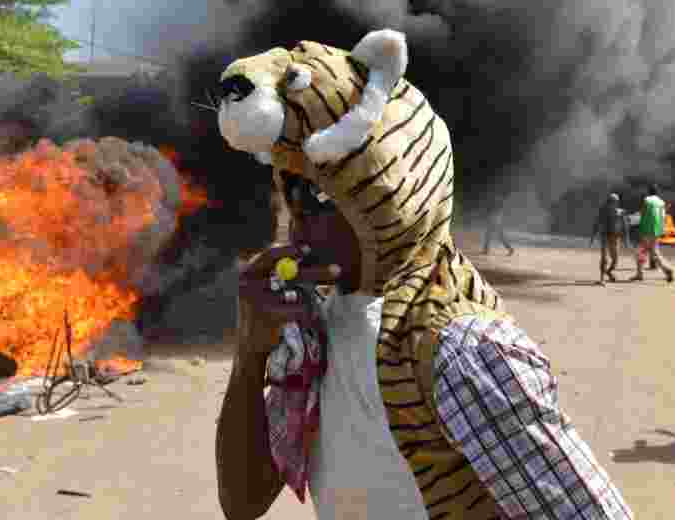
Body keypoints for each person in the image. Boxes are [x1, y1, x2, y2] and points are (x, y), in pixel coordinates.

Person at [215, 29, 633, 519]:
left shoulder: (456, 347)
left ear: (392, 193)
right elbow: (244, 501)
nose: (301, 218)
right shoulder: (316, 325)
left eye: (324, 196)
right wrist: (251, 351)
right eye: (295, 193)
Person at [631, 184, 674, 282]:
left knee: (640, 252)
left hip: (646, 230)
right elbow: (663, 216)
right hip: (656, 231)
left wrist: (633, 219)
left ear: (648, 191)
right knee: (654, 253)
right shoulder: (661, 202)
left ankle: (639, 274)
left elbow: (642, 213)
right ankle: (667, 269)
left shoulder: (647, 200)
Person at [591, 192, 630, 284]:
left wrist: (626, 240)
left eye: (614, 201)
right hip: (604, 235)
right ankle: (602, 278)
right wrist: (593, 236)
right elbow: (597, 222)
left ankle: (608, 272)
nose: (611, 203)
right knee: (604, 258)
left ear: (617, 203)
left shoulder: (621, 212)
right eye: (610, 201)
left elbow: (625, 226)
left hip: (615, 237)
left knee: (615, 260)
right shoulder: (603, 210)